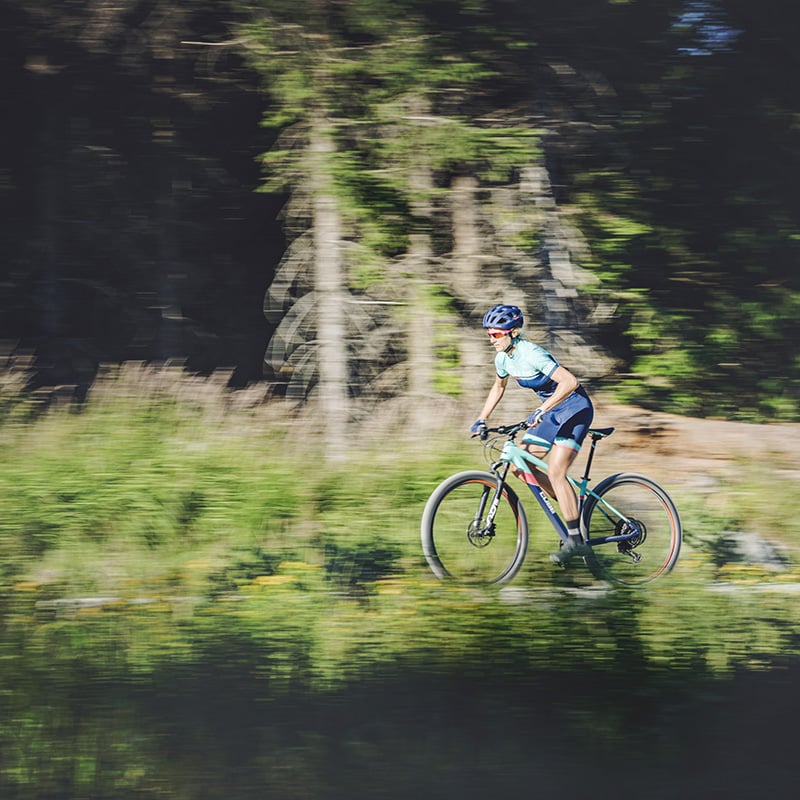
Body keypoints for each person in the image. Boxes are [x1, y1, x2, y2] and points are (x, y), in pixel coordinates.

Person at [470, 304, 594, 564]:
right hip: (551, 412)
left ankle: (575, 540)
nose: (491, 339)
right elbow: (498, 387)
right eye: (489, 334)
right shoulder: (503, 358)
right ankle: (571, 508)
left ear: (513, 333)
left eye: (496, 334)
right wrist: (482, 418)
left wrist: (541, 409)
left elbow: (570, 382)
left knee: (556, 471)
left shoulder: (532, 353)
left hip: (575, 409)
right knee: (520, 467)